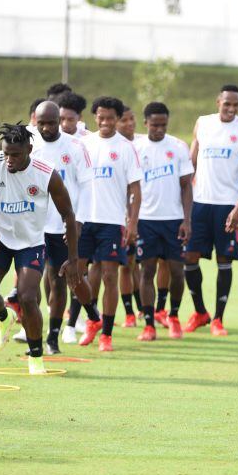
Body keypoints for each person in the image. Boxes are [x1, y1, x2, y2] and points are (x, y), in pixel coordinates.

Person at [0, 123, 80, 374]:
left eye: (15, 154)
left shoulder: (46, 174)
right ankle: (5, 318)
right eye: (6, 153)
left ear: (29, 149)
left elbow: (68, 214)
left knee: (28, 296)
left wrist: (73, 258)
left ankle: (36, 357)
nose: (9, 160)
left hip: (31, 243)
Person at [183, 84, 238, 336]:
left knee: (224, 261)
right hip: (199, 203)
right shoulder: (203, 123)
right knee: (189, 257)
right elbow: (191, 162)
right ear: (218, 102)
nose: (231, 109)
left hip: (227, 205)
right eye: (227, 104)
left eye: (236, 105)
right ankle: (200, 312)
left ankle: (218, 319)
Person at [75, 96, 142, 351]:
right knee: (77, 275)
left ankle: (106, 334)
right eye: (101, 117)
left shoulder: (125, 147)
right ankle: (92, 318)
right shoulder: (83, 145)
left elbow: (136, 188)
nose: (105, 122)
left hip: (112, 222)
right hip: (83, 220)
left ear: (117, 118)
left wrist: (133, 222)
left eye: (110, 118)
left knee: (109, 276)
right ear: (95, 118)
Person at [31, 100, 95, 354]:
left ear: (59, 121)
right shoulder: (28, 141)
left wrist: (78, 221)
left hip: (62, 227)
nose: (46, 128)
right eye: (41, 123)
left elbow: (88, 186)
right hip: (33, 225)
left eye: (51, 123)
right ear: (35, 121)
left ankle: (53, 337)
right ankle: (31, 330)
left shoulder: (75, 146)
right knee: (30, 281)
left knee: (60, 282)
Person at [134, 102, 193, 341]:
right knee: (147, 270)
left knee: (178, 271)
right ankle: (149, 324)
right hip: (145, 220)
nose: (159, 129)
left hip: (173, 220)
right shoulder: (136, 148)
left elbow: (186, 185)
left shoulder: (178, 147)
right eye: (155, 124)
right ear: (145, 122)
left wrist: (187, 220)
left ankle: (174, 316)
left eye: (163, 125)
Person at [115, 105, 142, 328]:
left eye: (132, 119)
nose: (130, 123)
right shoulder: (114, 147)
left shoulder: (141, 145)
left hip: (143, 215)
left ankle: (141, 309)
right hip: (118, 216)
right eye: (124, 120)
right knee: (125, 266)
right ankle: (130, 312)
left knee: (136, 265)